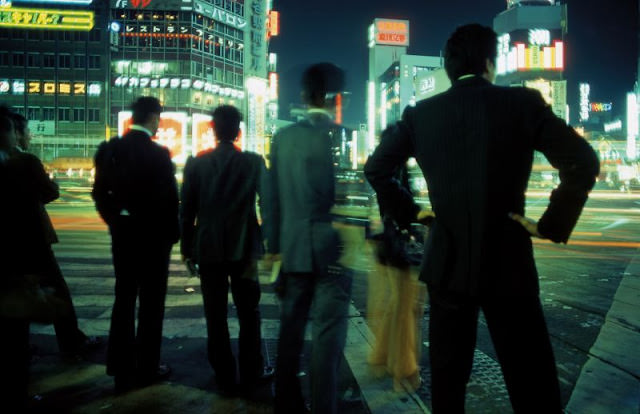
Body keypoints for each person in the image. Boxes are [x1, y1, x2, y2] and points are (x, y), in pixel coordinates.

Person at [364, 24, 600, 413]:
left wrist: (413, 212)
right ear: (491, 62)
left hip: (446, 262)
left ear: (449, 68)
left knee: (448, 382)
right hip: (509, 260)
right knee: (532, 382)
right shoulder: (523, 104)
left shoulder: (420, 115)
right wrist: (550, 224)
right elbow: (583, 161)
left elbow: (377, 170)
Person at [267, 63, 353, 414]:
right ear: (333, 98)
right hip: (330, 251)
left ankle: (286, 402)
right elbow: (347, 199)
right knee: (327, 338)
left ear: (303, 97)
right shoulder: (340, 136)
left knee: (290, 333)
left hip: (292, 250)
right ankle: (323, 407)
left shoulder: (282, 138)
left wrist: (274, 248)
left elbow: (270, 199)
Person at [180, 105, 273, 395]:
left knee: (215, 314)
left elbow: (187, 212)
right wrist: (265, 240)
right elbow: (268, 205)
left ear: (213, 130)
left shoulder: (195, 164)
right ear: (238, 132)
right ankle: (252, 369)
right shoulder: (254, 162)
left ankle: (223, 372)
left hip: (208, 249)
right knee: (249, 311)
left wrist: (187, 249)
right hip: (245, 248)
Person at [92, 96, 179, 393]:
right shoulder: (159, 154)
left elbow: (99, 193)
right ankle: (147, 366)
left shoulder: (110, 149)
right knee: (152, 305)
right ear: (154, 118)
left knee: (124, 299)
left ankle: (119, 366)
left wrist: (116, 221)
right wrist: (172, 236)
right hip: (154, 240)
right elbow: (170, 202)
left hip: (124, 237)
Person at [8, 111, 101, 358]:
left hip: (9, 243)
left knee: (16, 290)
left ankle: (20, 343)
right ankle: (71, 342)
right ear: (14, 133)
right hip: (33, 239)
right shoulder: (24, 161)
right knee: (58, 291)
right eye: (26, 131)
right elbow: (49, 192)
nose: (29, 135)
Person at [366, 158, 427, 393]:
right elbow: (402, 208)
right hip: (400, 246)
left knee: (398, 304)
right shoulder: (394, 173)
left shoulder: (388, 171)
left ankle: (381, 358)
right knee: (406, 307)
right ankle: (404, 373)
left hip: (389, 244)